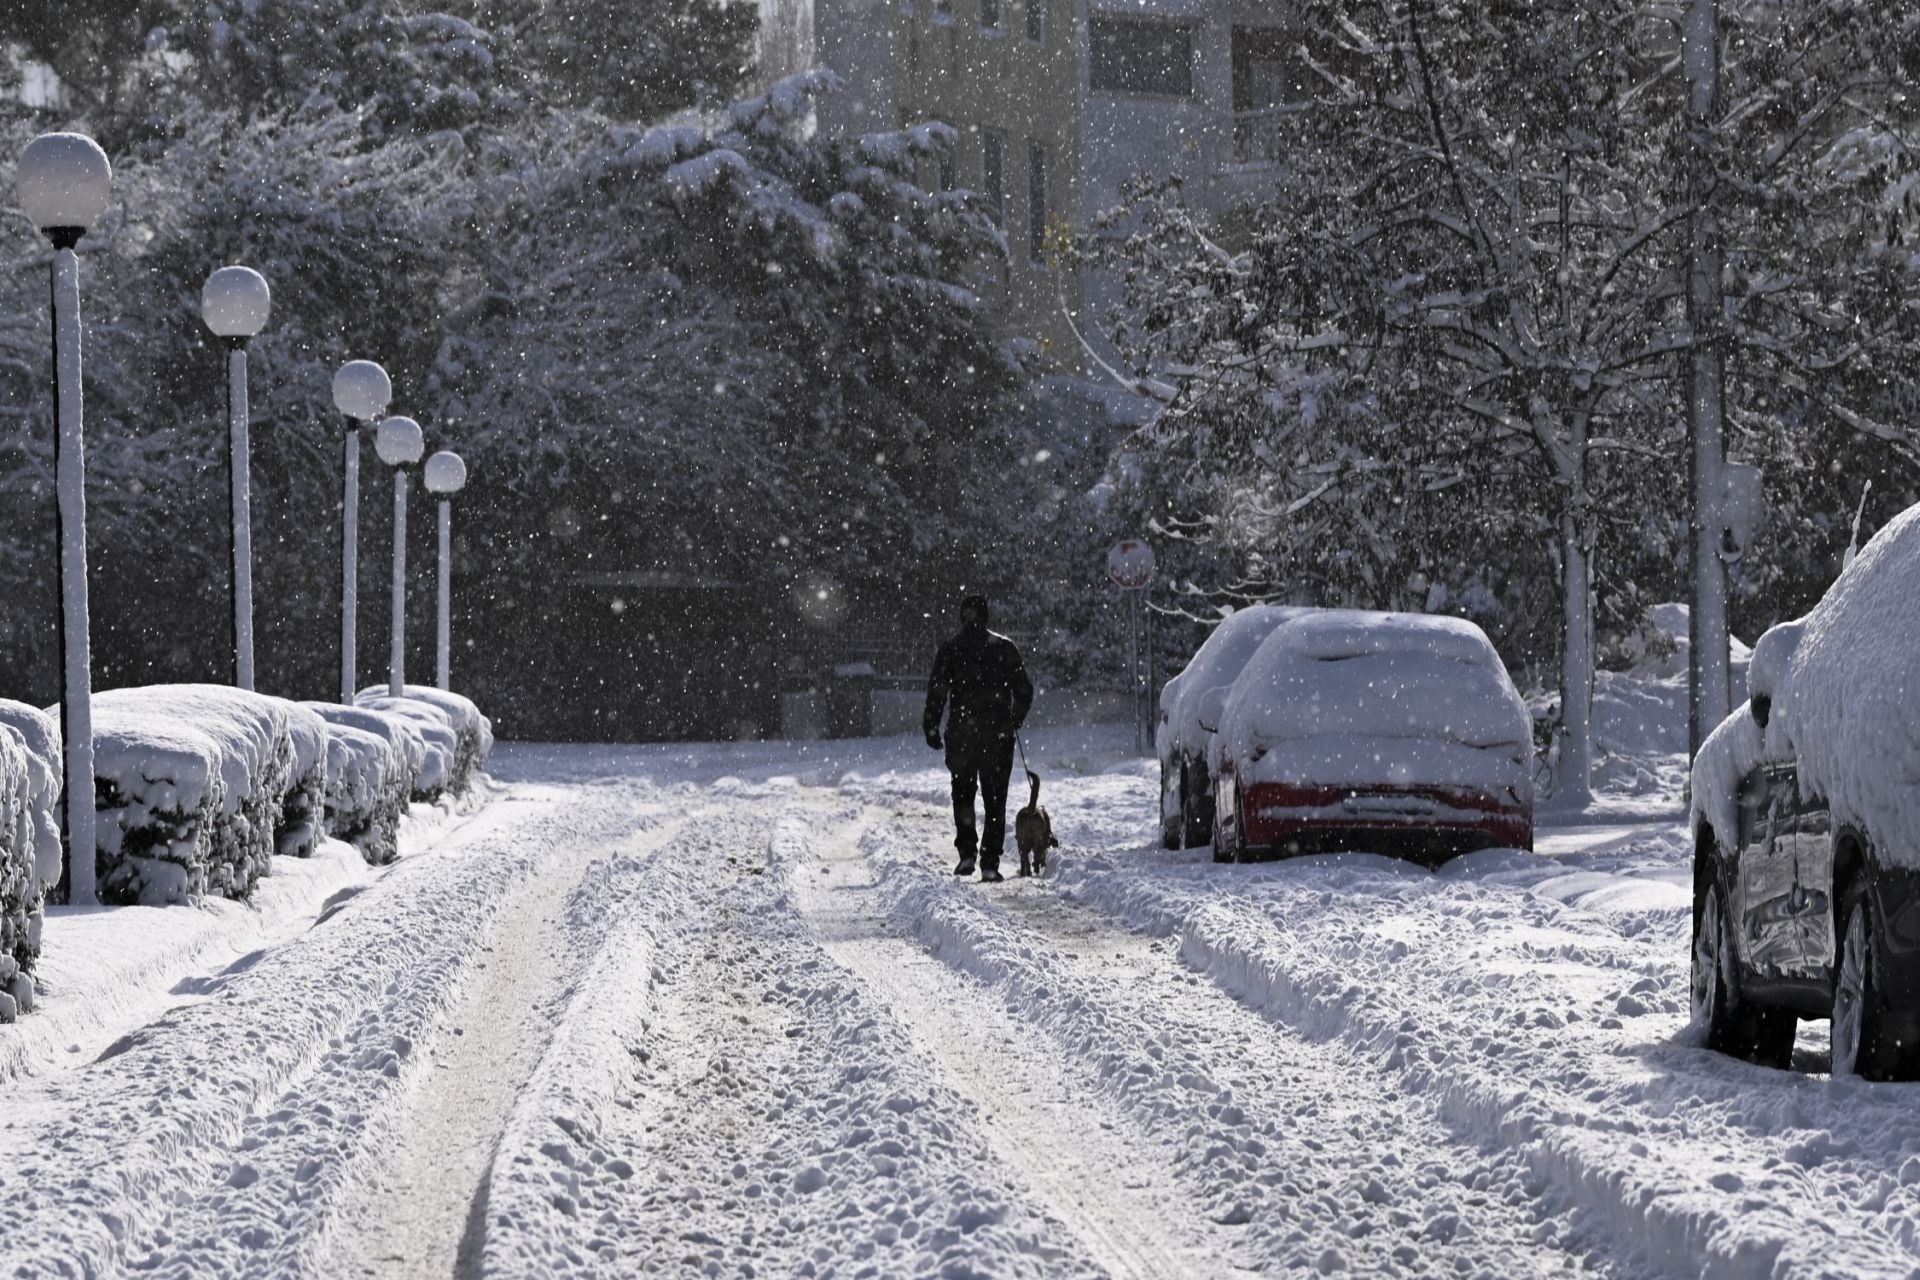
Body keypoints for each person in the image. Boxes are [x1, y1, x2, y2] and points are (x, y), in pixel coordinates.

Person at [923, 594, 1033, 882]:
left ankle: (967, 854)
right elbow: (1024, 690)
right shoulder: (1004, 648)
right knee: (995, 798)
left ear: (962, 616)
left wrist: (932, 726)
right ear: (986, 617)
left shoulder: (951, 649)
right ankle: (990, 861)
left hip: (962, 735)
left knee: (963, 794)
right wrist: (1013, 719)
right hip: (997, 735)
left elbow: (937, 693)